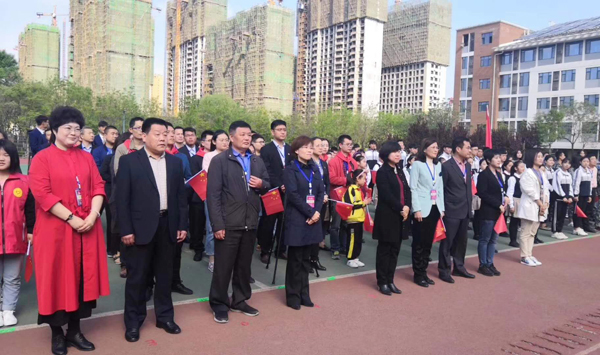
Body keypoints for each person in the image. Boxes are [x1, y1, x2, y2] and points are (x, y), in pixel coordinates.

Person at [29, 106, 110, 355]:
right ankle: (56, 334)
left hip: (87, 227)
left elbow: (98, 186)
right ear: (54, 130)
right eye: (68, 128)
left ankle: (74, 330)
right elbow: (42, 193)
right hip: (56, 231)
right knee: (55, 278)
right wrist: (73, 219)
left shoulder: (86, 157)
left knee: (81, 279)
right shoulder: (42, 158)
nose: (74, 133)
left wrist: (94, 214)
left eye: (78, 128)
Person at [117, 118, 188, 342]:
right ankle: (133, 321)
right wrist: (126, 229)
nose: (162, 138)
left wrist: (182, 225)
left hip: (168, 225)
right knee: (137, 277)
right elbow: (121, 200)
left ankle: (165, 316)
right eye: (157, 134)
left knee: (165, 276)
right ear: (144, 136)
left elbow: (181, 198)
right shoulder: (130, 162)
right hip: (139, 229)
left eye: (165, 134)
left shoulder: (175, 164)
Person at [207, 120, 269, 324]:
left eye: (249, 135)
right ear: (231, 137)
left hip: (250, 221)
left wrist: (261, 184)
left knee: (244, 267)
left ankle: (240, 300)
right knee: (223, 267)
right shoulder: (220, 161)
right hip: (228, 222)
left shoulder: (257, 161)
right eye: (242, 134)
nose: (247, 138)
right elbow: (213, 196)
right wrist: (218, 225)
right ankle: (219, 303)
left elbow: (268, 185)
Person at [283, 136, 324, 310]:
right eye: (305, 147)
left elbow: (321, 192)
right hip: (298, 218)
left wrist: (317, 212)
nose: (309, 150)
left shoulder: (314, 169)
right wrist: (310, 212)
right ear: (296, 150)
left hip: (313, 218)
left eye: (310, 147)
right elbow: (292, 194)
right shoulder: (291, 169)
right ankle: (292, 295)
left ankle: (304, 294)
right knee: (295, 259)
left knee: (307, 259)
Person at [0, 140, 35, 327]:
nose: (1, 158)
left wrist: (30, 231)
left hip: (16, 239)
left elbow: (30, 210)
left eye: (6, 155)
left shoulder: (24, 181)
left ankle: (8, 310)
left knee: (12, 277)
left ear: (13, 157)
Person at [373, 141, 410, 295]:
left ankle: (390, 280)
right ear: (386, 154)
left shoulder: (399, 170)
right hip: (388, 216)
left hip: (401, 215)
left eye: (399, 151)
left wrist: (407, 206)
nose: (398, 154)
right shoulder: (383, 172)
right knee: (385, 250)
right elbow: (386, 195)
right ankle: (382, 281)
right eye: (394, 151)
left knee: (395, 250)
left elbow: (407, 191)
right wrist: (401, 207)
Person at [439, 137, 475, 284]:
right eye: (467, 147)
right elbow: (442, 189)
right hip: (451, 209)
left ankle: (459, 267)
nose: (470, 150)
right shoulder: (446, 166)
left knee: (462, 242)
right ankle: (444, 270)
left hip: (465, 209)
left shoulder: (467, 166)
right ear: (458, 149)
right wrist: (443, 209)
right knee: (447, 242)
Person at [410, 138, 445, 288]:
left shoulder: (439, 166)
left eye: (437, 147)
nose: (436, 150)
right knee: (419, 242)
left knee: (428, 243)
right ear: (425, 149)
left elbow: (440, 189)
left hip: (435, 207)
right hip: (422, 208)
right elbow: (413, 188)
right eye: (433, 147)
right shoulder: (417, 165)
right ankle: (418, 274)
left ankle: (424, 272)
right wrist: (416, 209)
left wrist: (442, 208)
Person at [258, 120, 291, 263]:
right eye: (279, 129)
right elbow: (267, 170)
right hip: (272, 191)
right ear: (273, 132)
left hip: (287, 192)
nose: (282, 132)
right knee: (269, 222)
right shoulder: (267, 149)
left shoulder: (290, 149)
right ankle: (265, 250)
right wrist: (279, 184)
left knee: (284, 222)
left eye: (284, 129)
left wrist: (288, 184)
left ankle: (281, 250)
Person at [201, 130, 230, 271]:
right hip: (213, 197)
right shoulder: (209, 156)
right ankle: (212, 259)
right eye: (222, 140)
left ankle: (224, 258)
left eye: (227, 140)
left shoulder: (232, 155)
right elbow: (210, 175)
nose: (225, 142)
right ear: (214, 142)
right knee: (212, 228)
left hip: (230, 198)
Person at [516, 149, 549, 267]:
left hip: (540, 206)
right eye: (538, 156)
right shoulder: (527, 172)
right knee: (526, 231)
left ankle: (529, 254)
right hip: (531, 205)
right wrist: (540, 203)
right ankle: (524, 256)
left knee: (533, 232)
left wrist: (546, 202)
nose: (540, 159)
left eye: (541, 157)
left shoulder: (542, 172)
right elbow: (529, 190)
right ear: (532, 158)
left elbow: (546, 189)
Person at [328, 135, 358, 259]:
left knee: (347, 224)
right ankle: (335, 247)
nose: (350, 146)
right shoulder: (334, 161)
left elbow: (357, 176)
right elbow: (331, 178)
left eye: (351, 144)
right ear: (340, 145)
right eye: (347, 144)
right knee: (336, 224)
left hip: (349, 196)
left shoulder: (353, 161)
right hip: (337, 196)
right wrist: (346, 180)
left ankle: (344, 247)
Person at [476, 149, 504, 277]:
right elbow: (483, 193)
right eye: (496, 158)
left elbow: (502, 190)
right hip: (488, 211)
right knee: (485, 239)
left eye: (499, 158)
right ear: (488, 160)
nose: (499, 160)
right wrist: (497, 204)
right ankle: (483, 264)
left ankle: (490, 262)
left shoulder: (498, 174)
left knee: (493, 239)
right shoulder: (484, 175)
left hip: (498, 212)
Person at [342, 169, 372, 268]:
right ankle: (350, 258)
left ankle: (355, 257)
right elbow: (350, 204)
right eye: (363, 178)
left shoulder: (359, 190)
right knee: (352, 239)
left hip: (359, 218)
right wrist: (364, 203)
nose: (365, 180)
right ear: (357, 179)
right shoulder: (351, 189)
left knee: (358, 239)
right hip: (352, 219)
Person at [310, 137, 329, 273]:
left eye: (323, 145)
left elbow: (326, 182)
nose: (321, 148)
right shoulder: (308, 163)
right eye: (318, 145)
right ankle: (307, 260)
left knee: (319, 230)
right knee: (309, 229)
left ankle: (314, 258)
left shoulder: (323, 163)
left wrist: (325, 194)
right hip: (311, 201)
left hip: (323, 200)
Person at [551, 158, 572, 240]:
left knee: (563, 214)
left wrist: (570, 196)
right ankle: (555, 231)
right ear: (562, 163)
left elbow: (570, 186)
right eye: (565, 163)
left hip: (566, 199)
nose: (567, 165)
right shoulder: (557, 173)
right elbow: (556, 185)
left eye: (569, 163)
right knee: (557, 214)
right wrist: (563, 196)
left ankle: (560, 230)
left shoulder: (569, 174)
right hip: (558, 198)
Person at [572, 156, 594, 236]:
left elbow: (590, 184)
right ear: (580, 162)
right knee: (578, 211)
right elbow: (576, 183)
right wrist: (576, 194)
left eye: (587, 161)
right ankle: (577, 227)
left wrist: (590, 195)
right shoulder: (578, 171)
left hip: (586, 194)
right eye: (584, 161)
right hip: (580, 195)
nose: (586, 163)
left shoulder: (589, 171)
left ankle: (580, 227)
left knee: (583, 211)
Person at [507, 161, 525, 247]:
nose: (523, 168)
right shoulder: (512, 178)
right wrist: (511, 205)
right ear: (515, 168)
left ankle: (519, 239)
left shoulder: (524, 178)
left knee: (520, 222)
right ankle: (513, 240)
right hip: (515, 200)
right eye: (521, 166)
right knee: (514, 221)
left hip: (522, 200)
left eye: (523, 166)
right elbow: (510, 192)